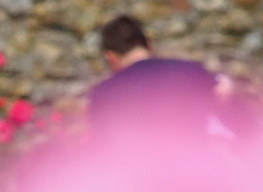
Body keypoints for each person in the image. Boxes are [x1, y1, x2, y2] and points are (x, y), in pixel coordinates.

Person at [88, 15, 222, 132]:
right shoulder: (193, 71)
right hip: (194, 158)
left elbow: (103, 147)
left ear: (110, 57)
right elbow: (226, 99)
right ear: (150, 44)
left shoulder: (104, 93)